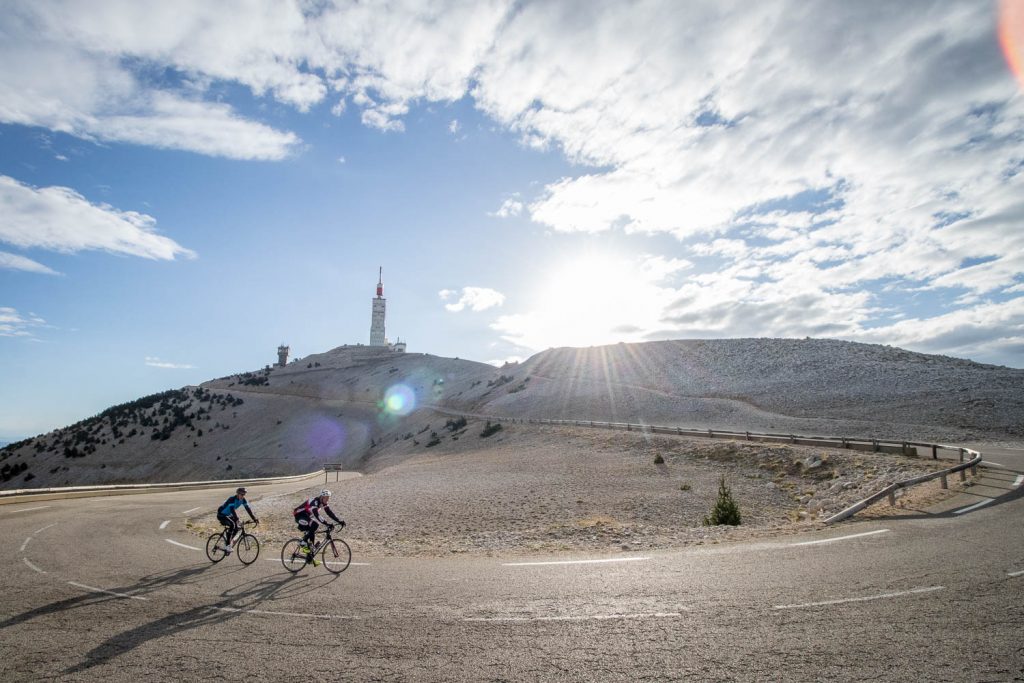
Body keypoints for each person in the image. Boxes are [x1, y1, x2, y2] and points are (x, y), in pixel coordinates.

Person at [293, 489, 345, 564]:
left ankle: (309, 556)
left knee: (312, 531)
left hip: (307, 516)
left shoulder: (323, 503)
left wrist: (339, 521)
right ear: (322, 497)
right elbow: (317, 516)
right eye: (326, 498)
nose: (327, 500)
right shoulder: (314, 502)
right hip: (299, 516)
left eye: (328, 498)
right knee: (315, 524)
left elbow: (329, 513)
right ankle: (303, 543)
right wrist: (327, 524)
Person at [216, 487, 259, 554]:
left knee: (237, 527)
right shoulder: (232, 499)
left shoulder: (243, 500)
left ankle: (229, 541)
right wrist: (237, 519)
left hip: (228, 515)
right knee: (232, 524)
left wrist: (254, 518)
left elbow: (248, 509)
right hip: (221, 515)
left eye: (244, 494)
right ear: (238, 494)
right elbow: (232, 510)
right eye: (242, 494)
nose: (243, 496)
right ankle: (228, 546)